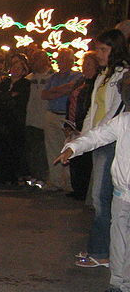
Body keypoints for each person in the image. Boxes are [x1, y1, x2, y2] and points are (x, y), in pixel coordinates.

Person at [58, 110, 130, 292]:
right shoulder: (124, 121)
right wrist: (73, 148)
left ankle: (126, 288)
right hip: (123, 193)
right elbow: (97, 136)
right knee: (118, 240)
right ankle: (119, 287)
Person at [74, 29, 130, 268]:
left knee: (101, 196)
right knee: (99, 197)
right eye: (98, 49)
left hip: (109, 142)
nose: (98, 54)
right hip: (98, 139)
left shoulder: (122, 75)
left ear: (115, 50)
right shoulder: (103, 75)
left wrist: (94, 137)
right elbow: (93, 111)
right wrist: (82, 137)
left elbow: (114, 114)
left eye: (103, 50)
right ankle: (99, 247)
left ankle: (102, 251)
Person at [0, 53, 31, 186]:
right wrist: (9, 96)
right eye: (14, 67)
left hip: (15, 120)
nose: (15, 70)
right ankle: (2, 174)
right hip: (1, 119)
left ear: (24, 71)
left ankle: (13, 176)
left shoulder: (25, 84)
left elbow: (19, 100)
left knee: (14, 148)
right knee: (2, 147)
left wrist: (7, 97)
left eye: (19, 68)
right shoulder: (5, 82)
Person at [41, 48, 80, 191]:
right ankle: (55, 181)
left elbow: (71, 89)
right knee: (52, 148)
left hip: (66, 116)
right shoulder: (53, 77)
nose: (61, 62)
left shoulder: (77, 76)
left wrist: (56, 91)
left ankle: (70, 183)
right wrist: (61, 90)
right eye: (60, 59)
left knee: (69, 148)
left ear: (71, 61)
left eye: (64, 59)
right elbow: (45, 95)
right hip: (52, 113)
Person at [66, 51, 99, 200]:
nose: (86, 67)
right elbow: (71, 101)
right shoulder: (81, 81)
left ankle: (84, 191)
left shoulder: (96, 82)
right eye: (84, 64)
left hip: (85, 124)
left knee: (85, 159)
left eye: (89, 64)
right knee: (75, 157)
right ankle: (77, 189)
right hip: (73, 122)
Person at [25, 50, 53, 186]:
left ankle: (43, 177)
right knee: (32, 150)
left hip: (44, 119)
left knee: (43, 151)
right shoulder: (29, 78)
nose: (34, 63)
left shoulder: (52, 77)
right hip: (31, 119)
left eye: (37, 60)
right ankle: (34, 175)